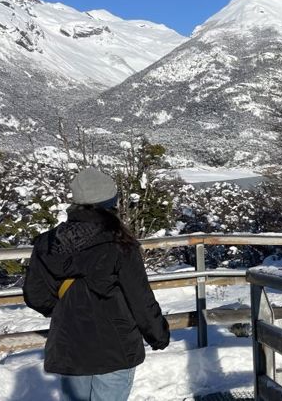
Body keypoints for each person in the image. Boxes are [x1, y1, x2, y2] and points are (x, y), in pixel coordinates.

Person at [23, 168, 170, 401]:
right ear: (110, 202)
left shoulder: (47, 242)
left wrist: (66, 309)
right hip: (116, 345)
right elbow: (139, 297)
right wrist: (158, 334)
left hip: (70, 344)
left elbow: (35, 295)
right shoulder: (120, 242)